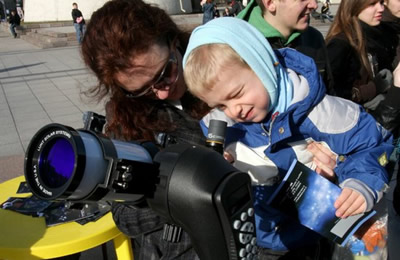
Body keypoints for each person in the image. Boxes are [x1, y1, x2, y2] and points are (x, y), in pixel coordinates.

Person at [183, 17, 393, 259]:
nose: (234, 110)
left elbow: (377, 144)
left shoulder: (319, 113)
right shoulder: (224, 127)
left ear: (262, 66)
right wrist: (218, 170)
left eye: (237, 94)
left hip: (317, 237)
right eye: (220, 104)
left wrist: (361, 182)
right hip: (257, 238)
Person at [81, 0, 210, 259]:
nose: (161, 93)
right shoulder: (126, 116)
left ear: (174, 41)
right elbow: (125, 216)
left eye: (166, 72)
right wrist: (185, 189)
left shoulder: (222, 68)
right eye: (142, 90)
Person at [237, 0, 335, 94]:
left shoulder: (313, 38)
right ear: (270, 3)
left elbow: (330, 94)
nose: (314, 5)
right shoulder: (237, 45)